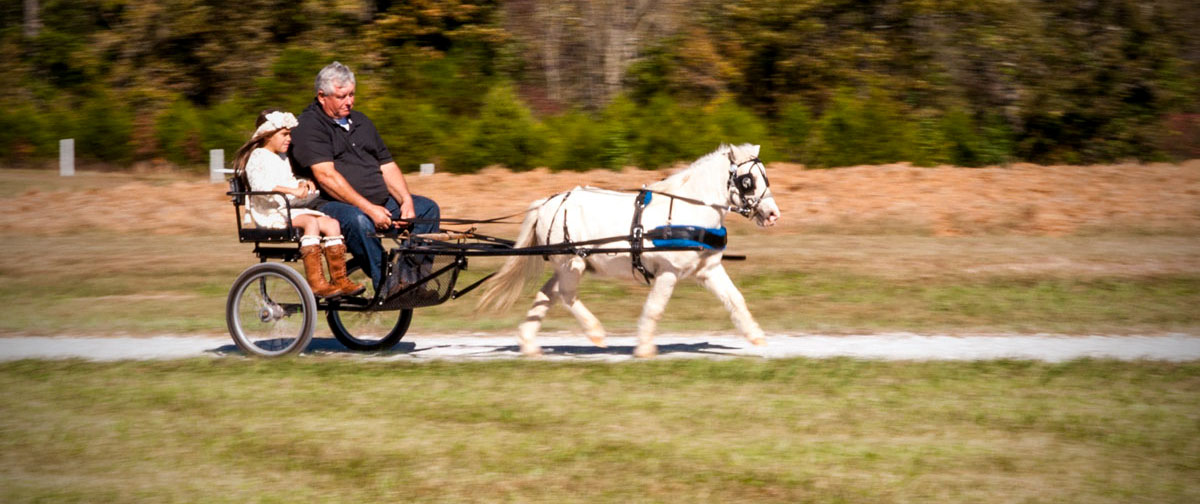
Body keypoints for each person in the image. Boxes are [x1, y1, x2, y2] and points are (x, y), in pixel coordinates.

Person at [289, 61, 440, 295]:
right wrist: (370, 209)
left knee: (427, 210)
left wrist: (406, 201)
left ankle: (409, 282)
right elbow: (326, 176)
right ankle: (387, 284)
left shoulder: (361, 121)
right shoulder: (309, 126)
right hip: (332, 205)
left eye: (352, 95)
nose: (349, 101)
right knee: (360, 221)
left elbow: (387, 165)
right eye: (341, 96)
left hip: (378, 202)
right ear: (322, 96)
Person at [233, 109, 365, 299]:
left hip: (286, 210)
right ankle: (316, 283)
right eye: (284, 134)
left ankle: (340, 280)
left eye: (290, 134)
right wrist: (292, 191)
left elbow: (288, 180)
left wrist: (302, 184)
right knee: (311, 222)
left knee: (332, 223)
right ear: (267, 135)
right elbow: (262, 186)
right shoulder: (258, 157)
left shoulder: (282, 157)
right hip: (270, 214)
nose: (289, 139)